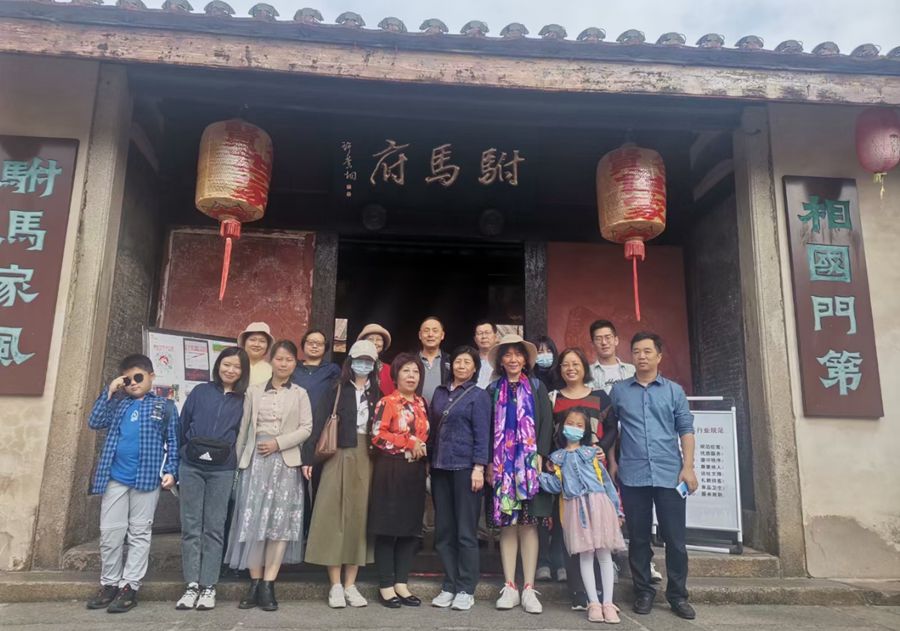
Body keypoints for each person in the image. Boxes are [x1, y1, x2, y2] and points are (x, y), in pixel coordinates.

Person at [610, 332, 698, 621]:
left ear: (659, 356)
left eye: (648, 351)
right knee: (637, 538)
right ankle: (643, 591)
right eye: (636, 351)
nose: (642, 356)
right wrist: (612, 462)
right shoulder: (620, 391)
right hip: (632, 474)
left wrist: (688, 467)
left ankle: (677, 595)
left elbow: (686, 429)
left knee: (675, 539)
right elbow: (610, 429)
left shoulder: (674, 391)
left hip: (669, 474)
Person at [85, 354, 179, 614]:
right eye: (128, 379)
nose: (134, 383)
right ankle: (109, 583)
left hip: (146, 479)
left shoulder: (165, 406)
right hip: (115, 477)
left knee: (139, 533)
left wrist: (171, 471)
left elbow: (173, 442)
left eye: (138, 377)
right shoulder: (118, 404)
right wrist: (110, 392)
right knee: (110, 533)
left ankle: (130, 586)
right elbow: (94, 421)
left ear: (151, 377)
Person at [225, 340, 313, 612]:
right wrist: (238, 462)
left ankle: (268, 584)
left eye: (289, 359)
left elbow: (306, 428)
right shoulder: (253, 391)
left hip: (285, 464)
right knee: (253, 522)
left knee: (279, 525)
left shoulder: (300, 393)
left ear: (295, 364)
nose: (283, 363)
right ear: (271, 361)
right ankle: (254, 582)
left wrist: (278, 443)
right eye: (279, 358)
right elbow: (243, 430)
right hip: (255, 464)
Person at [302, 340, 381, 609]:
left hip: (367, 457)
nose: (364, 365)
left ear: (374, 365)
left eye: (368, 361)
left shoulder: (378, 393)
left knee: (359, 518)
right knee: (332, 515)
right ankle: (335, 584)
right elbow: (317, 423)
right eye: (360, 360)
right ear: (350, 361)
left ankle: (350, 584)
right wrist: (309, 458)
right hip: (336, 454)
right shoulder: (336, 389)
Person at [176, 347, 250, 611]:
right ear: (218, 365)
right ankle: (191, 585)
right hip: (191, 466)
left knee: (215, 527)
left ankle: (208, 586)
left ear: (243, 371)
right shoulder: (200, 391)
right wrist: (183, 453)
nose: (230, 370)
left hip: (223, 469)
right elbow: (182, 425)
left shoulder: (245, 400)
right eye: (226, 364)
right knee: (191, 526)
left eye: (237, 367)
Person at [543, 347, 619, 607]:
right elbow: (548, 433)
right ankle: (578, 592)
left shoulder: (600, 397)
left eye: (575, 364)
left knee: (598, 533)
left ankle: (601, 593)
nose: (570, 369)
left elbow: (612, 428)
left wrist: (602, 449)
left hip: (594, 474)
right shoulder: (553, 398)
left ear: (584, 367)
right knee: (571, 531)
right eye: (565, 364)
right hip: (565, 472)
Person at [486, 334, 553, 614]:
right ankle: (510, 585)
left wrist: (540, 456)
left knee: (528, 524)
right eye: (507, 355)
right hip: (502, 466)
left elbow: (546, 423)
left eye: (518, 354)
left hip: (528, 467)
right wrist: (488, 462)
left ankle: (528, 587)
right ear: (501, 361)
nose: (513, 359)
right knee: (508, 524)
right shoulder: (492, 389)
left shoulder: (537, 387)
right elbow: (486, 427)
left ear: (525, 360)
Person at [539, 407, 626, 624]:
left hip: (600, 505)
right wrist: (537, 476)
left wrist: (617, 510)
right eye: (570, 423)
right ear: (562, 427)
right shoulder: (557, 458)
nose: (574, 428)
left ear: (586, 430)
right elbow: (556, 485)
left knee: (604, 555)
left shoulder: (592, 452)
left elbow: (607, 483)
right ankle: (593, 602)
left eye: (580, 425)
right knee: (585, 555)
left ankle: (608, 602)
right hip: (575, 508)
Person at [428, 346, 492, 612]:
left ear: (475, 368)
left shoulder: (479, 395)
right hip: (440, 467)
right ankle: (449, 584)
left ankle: (466, 588)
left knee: (466, 531)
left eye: (467, 362)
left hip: (466, 468)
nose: (462, 366)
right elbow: (432, 430)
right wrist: (428, 463)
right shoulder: (440, 393)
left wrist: (479, 467)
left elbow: (483, 433)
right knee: (444, 531)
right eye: (458, 361)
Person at [368, 353, 430, 608]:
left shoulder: (422, 403)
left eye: (415, 371)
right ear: (395, 375)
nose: (411, 376)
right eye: (406, 371)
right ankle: (385, 585)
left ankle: (401, 584)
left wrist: (421, 448)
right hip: (391, 470)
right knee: (388, 528)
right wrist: (408, 442)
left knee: (410, 529)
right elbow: (377, 435)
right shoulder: (387, 402)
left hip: (414, 472)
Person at [292, 329, 341, 411]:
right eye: (310, 343)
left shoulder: (332, 369)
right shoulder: (294, 367)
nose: (314, 346)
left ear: (325, 347)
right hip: (294, 415)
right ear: (303, 344)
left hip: (321, 417)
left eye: (319, 343)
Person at [588, 320, 635, 394]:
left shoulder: (632, 370)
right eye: (598, 339)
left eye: (608, 337)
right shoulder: (587, 373)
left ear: (616, 340)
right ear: (592, 344)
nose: (604, 342)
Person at [418, 316, 450, 404]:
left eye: (435, 331)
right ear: (420, 335)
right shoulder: (411, 361)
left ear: (442, 335)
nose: (430, 334)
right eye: (426, 331)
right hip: (415, 410)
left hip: (443, 410)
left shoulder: (451, 361)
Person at [357, 322, 395, 395]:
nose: (374, 342)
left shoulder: (389, 370)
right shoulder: (355, 367)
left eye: (379, 339)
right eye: (370, 339)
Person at [238, 322, 275, 387]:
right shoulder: (234, 365)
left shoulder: (272, 371)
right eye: (252, 340)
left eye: (262, 341)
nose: (256, 344)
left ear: (267, 346)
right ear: (244, 342)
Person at [473, 320, 498, 389]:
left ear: (495, 337)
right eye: (480, 333)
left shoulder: (502, 359)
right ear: (475, 339)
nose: (484, 336)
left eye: (487, 333)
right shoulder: (470, 359)